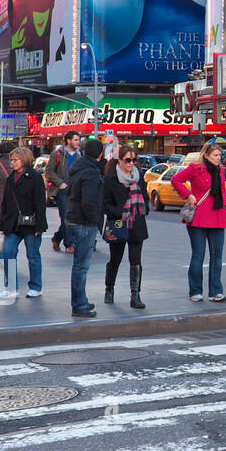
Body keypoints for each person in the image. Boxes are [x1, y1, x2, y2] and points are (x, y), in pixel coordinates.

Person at [173, 143, 226, 302]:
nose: (219, 158)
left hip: (217, 215)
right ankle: (195, 291)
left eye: (220, 155)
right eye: (215, 155)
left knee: (217, 256)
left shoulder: (221, 170)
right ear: (206, 155)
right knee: (198, 255)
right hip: (199, 216)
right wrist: (188, 195)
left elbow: (223, 190)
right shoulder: (195, 169)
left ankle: (216, 291)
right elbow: (176, 180)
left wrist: (224, 204)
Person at [101, 146, 150, 309]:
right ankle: (109, 290)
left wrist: (145, 209)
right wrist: (120, 212)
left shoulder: (139, 176)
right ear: (119, 160)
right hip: (119, 223)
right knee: (115, 259)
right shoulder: (110, 179)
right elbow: (104, 204)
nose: (131, 163)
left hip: (137, 223)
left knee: (136, 261)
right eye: (128, 160)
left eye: (134, 160)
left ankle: (135, 295)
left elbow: (145, 196)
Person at [0, 147, 47, 300]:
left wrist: (40, 225)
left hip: (31, 223)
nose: (12, 163)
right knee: (7, 253)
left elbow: (40, 202)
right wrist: (2, 225)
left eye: (15, 160)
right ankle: (12, 287)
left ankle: (36, 287)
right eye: (11, 160)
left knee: (33, 256)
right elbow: (5, 202)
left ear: (24, 159)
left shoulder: (35, 177)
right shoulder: (11, 177)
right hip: (12, 223)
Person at [65, 139, 106, 317]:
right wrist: (94, 220)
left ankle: (81, 301)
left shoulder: (78, 168)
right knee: (81, 265)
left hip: (74, 218)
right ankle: (79, 304)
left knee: (79, 265)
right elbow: (88, 200)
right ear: (100, 154)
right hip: (84, 222)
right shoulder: (91, 172)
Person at [45, 131, 82, 253]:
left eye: (78, 140)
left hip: (75, 190)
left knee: (72, 217)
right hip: (62, 190)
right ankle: (69, 244)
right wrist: (60, 183)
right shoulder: (57, 154)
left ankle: (57, 238)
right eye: (76, 140)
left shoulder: (78, 155)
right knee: (66, 216)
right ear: (68, 140)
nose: (78, 142)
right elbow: (49, 172)